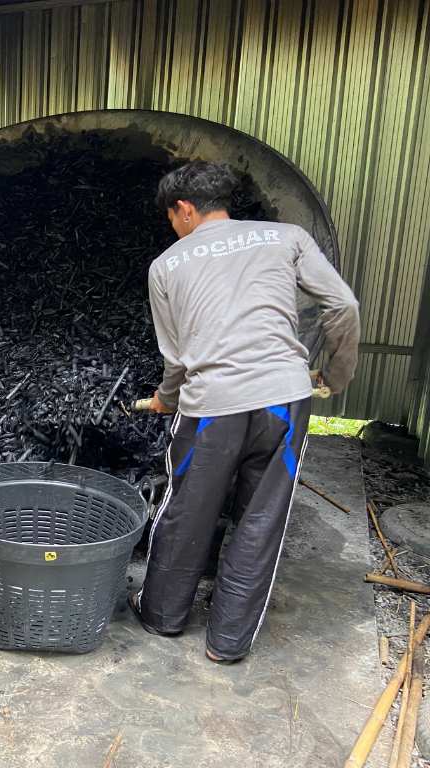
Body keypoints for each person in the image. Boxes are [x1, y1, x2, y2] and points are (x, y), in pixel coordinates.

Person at [129, 161, 360, 664]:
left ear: (184, 209)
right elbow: (343, 306)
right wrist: (333, 378)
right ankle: (227, 643)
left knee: (187, 507)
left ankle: (161, 616)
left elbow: (177, 361)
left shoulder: (167, 265)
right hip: (284, 401)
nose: (173, 226)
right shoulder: (287, 236)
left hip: (212, 407)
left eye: (172, 216)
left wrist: (166, 399)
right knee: (262, 517)